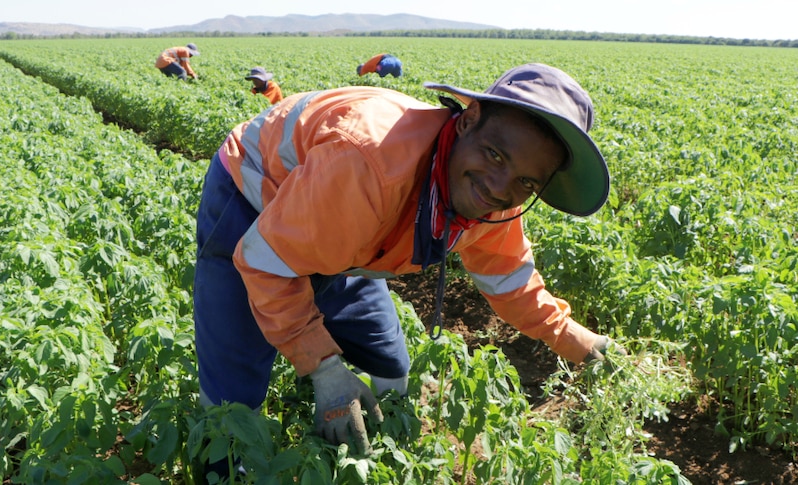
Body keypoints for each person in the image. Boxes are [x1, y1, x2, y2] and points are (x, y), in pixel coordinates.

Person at [193, 63, 617, 467]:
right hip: (254, 202)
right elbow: (266, 262)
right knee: (234, 394)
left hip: (345, 238)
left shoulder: (489, 205)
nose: (499, 187)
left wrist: (578, 342)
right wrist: (324, 370)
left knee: (390, 363)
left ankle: (375, 440)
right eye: (495, 155)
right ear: (468, 121)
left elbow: (509, 279)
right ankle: (223, 463)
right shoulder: (369, 164)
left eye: (527, 182)